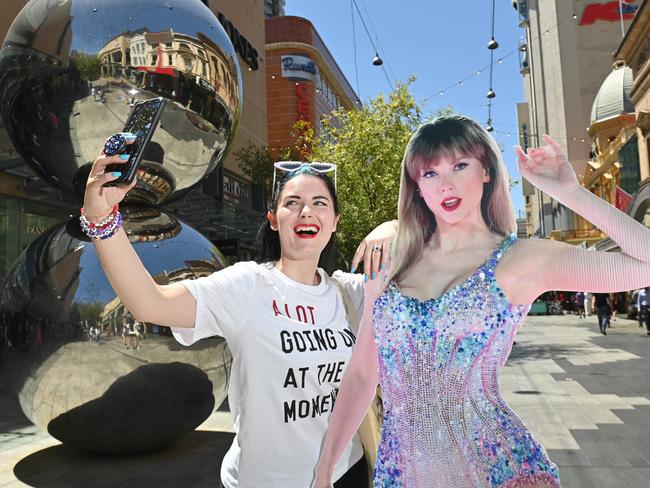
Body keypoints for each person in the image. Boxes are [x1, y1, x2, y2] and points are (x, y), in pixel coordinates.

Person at [313, 115, 650, 488]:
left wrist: (571, 192)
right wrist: (324, 469)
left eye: (460, 165)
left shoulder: (519, 260)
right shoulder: (392, 263)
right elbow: (362, 374)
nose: (446, 184)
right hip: (401, 475)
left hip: (499, 473)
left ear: (486, 171)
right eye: (430, 173)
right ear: (416, 186)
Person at [82, 134, 397, 488]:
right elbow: (150, 303)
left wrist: (396, 226)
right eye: (292, 202)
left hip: (345, 474)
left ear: (335, 220)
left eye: (319, 203)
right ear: (274, 220)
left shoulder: (350, 293)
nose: (306, 211)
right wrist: (101, 217)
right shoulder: (247, 286)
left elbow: (444, 263)